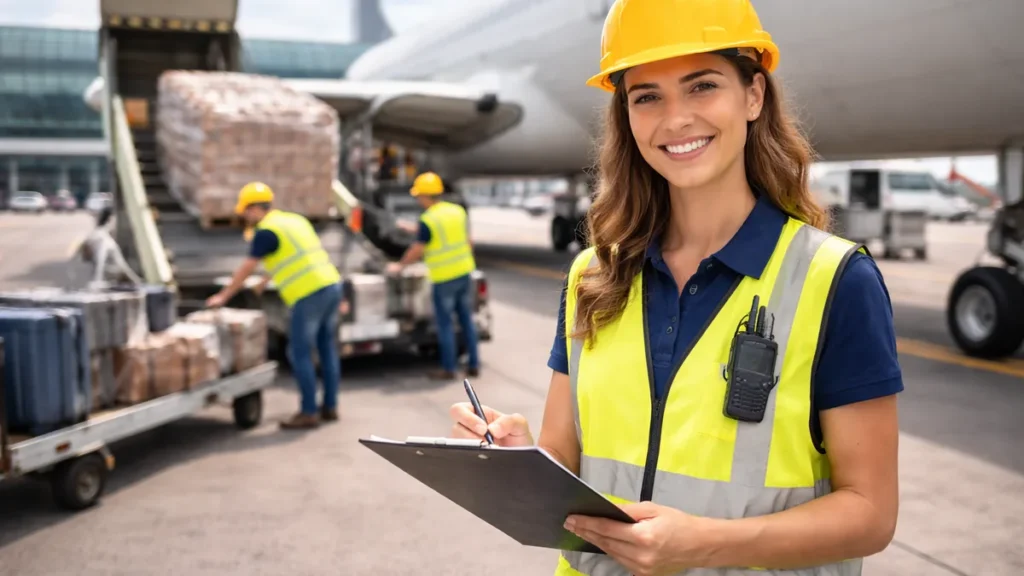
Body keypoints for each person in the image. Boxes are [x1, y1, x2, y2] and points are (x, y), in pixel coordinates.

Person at [448, 1, 902, 574]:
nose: (675, 118)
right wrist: (525, 463)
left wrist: (705, 543)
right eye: (647, 96)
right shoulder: (593, 274)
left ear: (754, 95)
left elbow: (870, 513)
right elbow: (567, 455)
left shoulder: (835, 281)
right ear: (626, 115)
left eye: (702, 86)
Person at [206, 182, 343, 430]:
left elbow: (247, 266)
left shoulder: (265, 231)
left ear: (255, 208)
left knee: (299, 352)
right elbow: (291, 256)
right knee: (326, 349)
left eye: (246, 211)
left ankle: (309, 411)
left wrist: (223, 296)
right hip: (331, 285)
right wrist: (264, 282)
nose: (245, 217)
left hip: (308, 294)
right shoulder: (293, 221)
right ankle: (330, 406)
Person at [387, 172, 480, 380]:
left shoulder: (428, 219)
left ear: (426, 196)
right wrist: (413, 228)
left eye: (419, 195)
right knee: (466, 321)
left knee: (445, 324)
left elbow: (418, 249)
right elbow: (466, 239)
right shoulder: (457, 211)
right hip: (464, 272)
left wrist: (400, 266)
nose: (418, 199)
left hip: (444, 279)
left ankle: (449, 368)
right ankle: (474, 364)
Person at [76, 206, 144, 288]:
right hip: (104, 282)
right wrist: (97, 281)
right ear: (110, 219)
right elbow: (100, 258)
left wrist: (137, 282)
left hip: (101, 280)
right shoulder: (103, 238)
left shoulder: (96, 235)